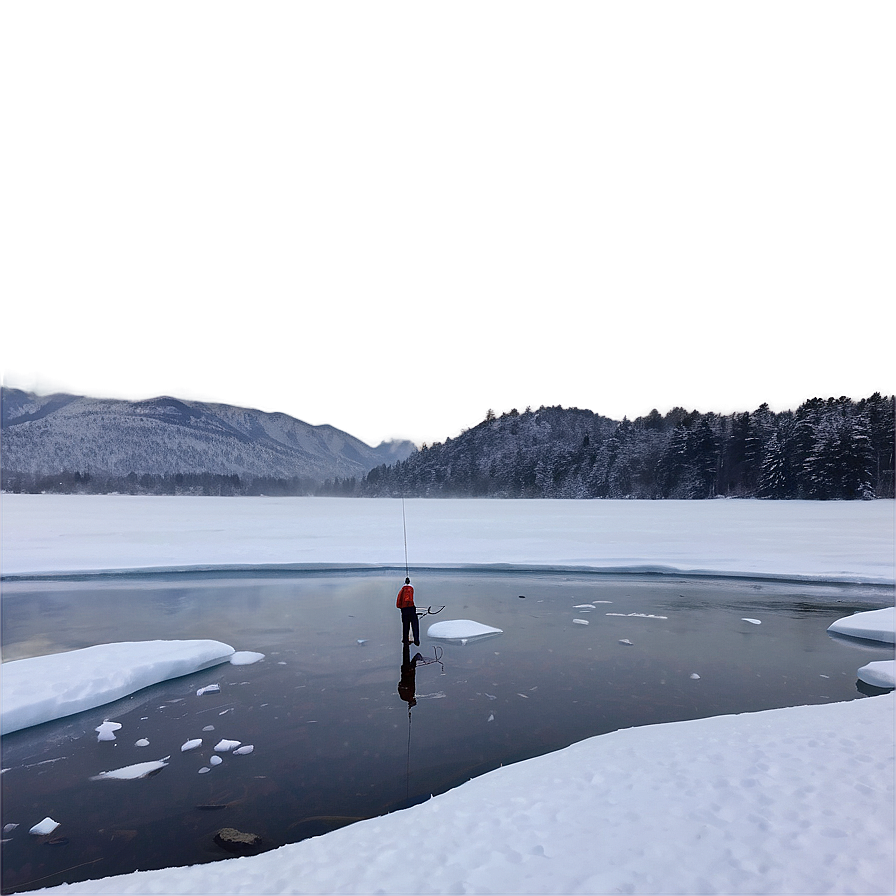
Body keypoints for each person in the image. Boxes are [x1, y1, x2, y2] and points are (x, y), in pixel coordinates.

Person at [396, 576, 419, 646]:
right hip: (411, 608)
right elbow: (409, 599)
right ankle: (416, 640)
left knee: (405, 626)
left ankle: (405, 640)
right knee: (415, 624)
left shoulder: (402, 590)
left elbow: (398, 601)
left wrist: (400, 607)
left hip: (404, 610)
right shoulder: (411, 589)